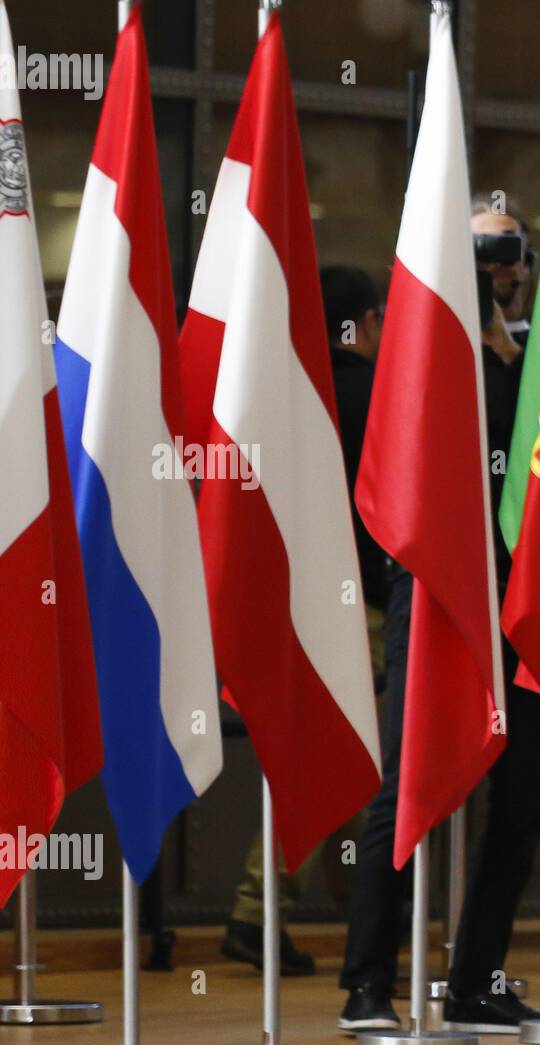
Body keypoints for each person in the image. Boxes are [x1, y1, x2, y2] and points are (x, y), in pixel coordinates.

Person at [338, 198, 540, 1035]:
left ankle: (475, 981)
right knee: (408, 782)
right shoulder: (416, 349)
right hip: (434, 590)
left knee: (526, 792)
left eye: (507, 250)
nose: (495, 266)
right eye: (478, 250)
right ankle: (367, 982)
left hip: (521, 591)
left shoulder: (534, 357)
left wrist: (511, 356)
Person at [220, 266, 388, 978]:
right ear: (365, 324)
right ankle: (259, 911)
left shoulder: (294, 398)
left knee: (335, 760)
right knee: (338, 759)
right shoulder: (375, 399)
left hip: (295, 601)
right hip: (364, 610)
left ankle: (363, 918)